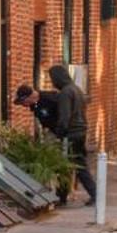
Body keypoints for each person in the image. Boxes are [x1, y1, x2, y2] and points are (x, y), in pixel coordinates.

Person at [43, 63, 96, 205]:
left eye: (52, 79)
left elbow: (64, 116)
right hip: (80, 130)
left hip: (71, 133)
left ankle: (94, 193)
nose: (53, 82)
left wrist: (60, 132)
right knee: (71, 164)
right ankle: (62, 196)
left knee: (75, 165)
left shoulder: (65, 93)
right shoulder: (76, 89)